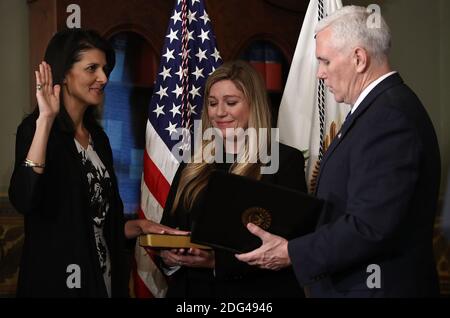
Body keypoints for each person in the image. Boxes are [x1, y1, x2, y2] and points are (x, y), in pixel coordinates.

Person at [236, 6, 441, 297]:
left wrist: (291, 252)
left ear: (359, 59)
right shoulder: (380, 110)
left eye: (325, 61)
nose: (319, 74)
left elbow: (369, 226)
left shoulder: (389, 118)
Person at [9, 28, 185, 298]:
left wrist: (139, 227)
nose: (103, 78)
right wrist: (45, 120)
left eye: (104, 68)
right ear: (64, 74)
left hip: (103, 280)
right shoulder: (34, 130)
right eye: (92, 68)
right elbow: (24, 198)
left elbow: (102, 224)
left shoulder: (99, 139)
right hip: (58, 284)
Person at [158, 60, 307, 297]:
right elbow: (167, 231)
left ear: (253, 105)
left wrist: (217, 262)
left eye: (231, 103)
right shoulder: (192, 164)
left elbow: (291, 246)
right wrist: (169, 257)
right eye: (212, 103)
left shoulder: (283, 161)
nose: (219, 112)